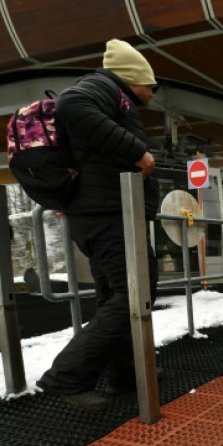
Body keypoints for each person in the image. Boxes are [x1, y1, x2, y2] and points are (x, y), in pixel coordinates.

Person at [36, 39, 160, 411]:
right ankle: (66, 377)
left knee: (117, 296)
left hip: (100, 214)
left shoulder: (110, 93)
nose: (154, 91)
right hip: (109, 215)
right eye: (151, 83)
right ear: (132, 78)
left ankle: (125, 374)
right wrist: (136, 151)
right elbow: (70, 105)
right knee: (133, 295)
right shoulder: (103, 87)